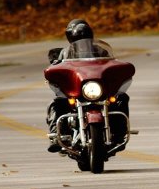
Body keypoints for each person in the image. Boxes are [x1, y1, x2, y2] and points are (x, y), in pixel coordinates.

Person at [45, 19, 128, 152]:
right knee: (57, 103)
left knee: (122, 98)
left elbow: (111, 64)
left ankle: (119, 132)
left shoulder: (101, 51)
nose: (82, 39)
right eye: (79, 37)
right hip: (76, 91)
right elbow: (56, 68)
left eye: (85, 36)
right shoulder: (65, 53)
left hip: (97, 89)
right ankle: (57, 135)